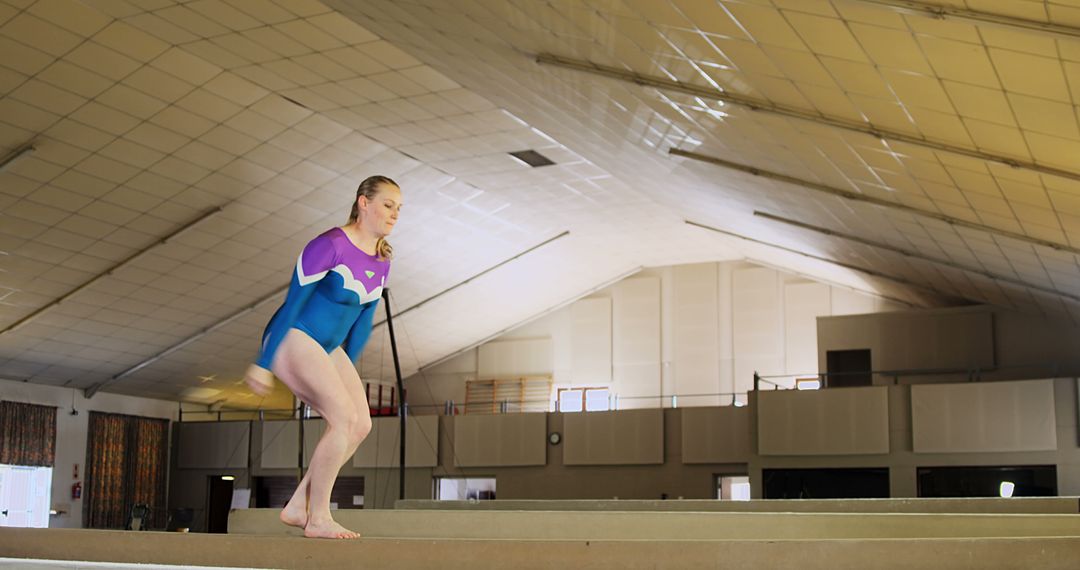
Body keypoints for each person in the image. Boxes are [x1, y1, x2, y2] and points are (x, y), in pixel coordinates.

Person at [244, 175, 401, 539]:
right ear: (364, 203)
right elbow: (293, 303)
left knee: (361, 423)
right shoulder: (328, 244)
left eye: (398, 209)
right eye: (388, 205)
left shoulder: (382, 260)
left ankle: (298, 504)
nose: (394, 214)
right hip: (293, 336)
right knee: (342, 419)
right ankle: (318, 518)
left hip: (328, 348)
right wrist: (263, 362)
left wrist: (347, 371)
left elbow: (361, 325)